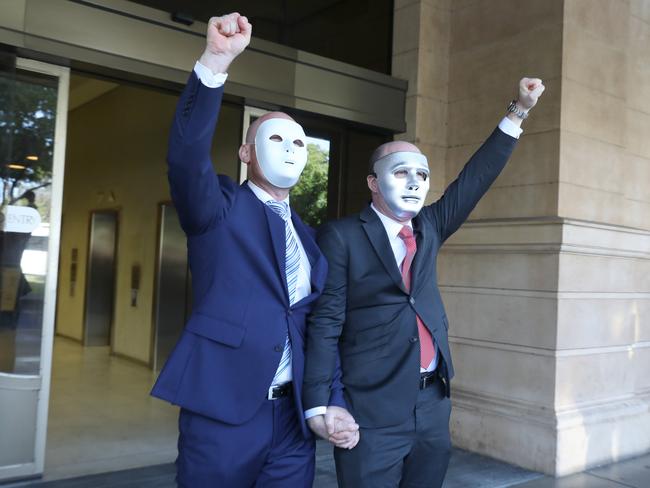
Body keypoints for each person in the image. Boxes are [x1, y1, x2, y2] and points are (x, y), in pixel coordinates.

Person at [303, 78, 545, 487]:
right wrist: (319, 404)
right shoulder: (341, 236)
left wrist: (519, 110)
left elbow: (475, 179)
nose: (415, 181)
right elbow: (326, 324)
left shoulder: (430, 226)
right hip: (372, 409)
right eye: (401, 172)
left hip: (432, 404)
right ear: (373, 183)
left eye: (422, 173)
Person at [151, 13, 358, 487]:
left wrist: (333, 402)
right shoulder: (218, 210)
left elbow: (315, 330)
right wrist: (215, 63)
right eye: (276, 138)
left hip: (292, 420)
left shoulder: (310, 239)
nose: (290, 149)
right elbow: (185, 156)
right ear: (246, 153)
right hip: (224, 413)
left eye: (299, 143)